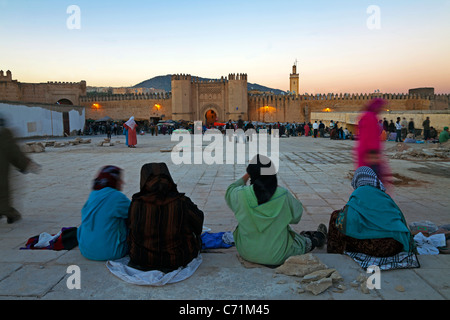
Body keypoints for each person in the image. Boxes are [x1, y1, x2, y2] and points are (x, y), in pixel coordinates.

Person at [225, 154, 327, 266]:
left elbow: (230, 189)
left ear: (251, 174)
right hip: (277, 256)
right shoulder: (283, 194)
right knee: (302, 243)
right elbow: (296, 216)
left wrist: (248, 173)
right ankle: (317, 239)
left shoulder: (240, 194)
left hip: (246, 252)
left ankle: (309, 237)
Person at [127, 163, 204, 272]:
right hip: (177, 258)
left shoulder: (136, 203)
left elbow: (129, 226)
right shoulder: (182, 202)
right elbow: (198, 224)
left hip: (140, 259)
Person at [327, 166, 413, 257]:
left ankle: (334, 254)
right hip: (395, 246)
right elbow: (399, 218)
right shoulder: (385, 196)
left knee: (336, 217)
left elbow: (349, 218)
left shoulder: (359, 193)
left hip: (377, 248)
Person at [77, 166, 131, 261]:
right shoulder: (117, 197)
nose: (123, 183)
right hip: (111, 253)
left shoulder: (93, 194)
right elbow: (134, 213)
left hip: (85, 250)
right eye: (120, 180)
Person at [0, 117, 41, 224]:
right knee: (2, 192)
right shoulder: (3, 133)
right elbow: (14, 152)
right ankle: (10, 213)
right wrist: (25, 165)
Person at [355, 98, 391, 186]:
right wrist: (373, 155)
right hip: (369, 155)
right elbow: (369, 137)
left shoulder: (368, 116)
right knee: (371, 181)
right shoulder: (370, 117)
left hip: (368, 153)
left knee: (368, 180)